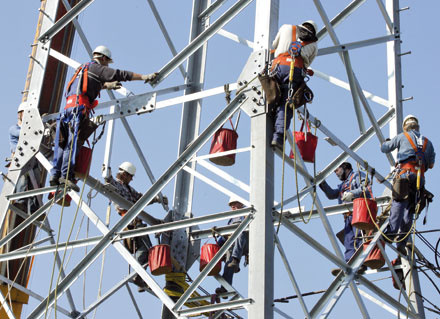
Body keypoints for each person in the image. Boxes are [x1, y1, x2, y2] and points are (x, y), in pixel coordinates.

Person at [50, 45, 159, 191]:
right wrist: (143, 77)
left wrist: (107, 85)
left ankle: (55, 175)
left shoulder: (82, 69)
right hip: (78, 110)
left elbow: (89, 85)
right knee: (72, 145)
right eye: (107, 62)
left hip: (67, 111)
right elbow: (120, 74)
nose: (107, 65)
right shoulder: (97, 68)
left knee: (62, 145)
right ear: (103, 58)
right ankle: (66, 177)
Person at [104, 161, 168, 292]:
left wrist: (157, 199)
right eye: (130, 176)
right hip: (131, 223)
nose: (132, 179)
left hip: (136, 222)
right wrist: (107, 171)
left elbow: (140, 199)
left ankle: (139, 277)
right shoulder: (118, 185)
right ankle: (137, 275)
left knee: (146, 249)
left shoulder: (128, 188)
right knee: (145, 249)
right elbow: (109, 181)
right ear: (125, 174)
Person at [381, 115, 435, 255]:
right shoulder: (428, 143)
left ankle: (391, 234)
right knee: (409, 210)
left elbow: (385, 148)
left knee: (399, 204)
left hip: (405, 175)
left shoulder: (402, 136)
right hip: (419, 179)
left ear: (406, 126)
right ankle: (402, 242)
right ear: (417, 126)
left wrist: (386, 142)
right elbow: (431, 164)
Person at [270, 20, 318, 149]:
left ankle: (266, 114)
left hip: (277, 67)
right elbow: (306, 64)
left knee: (270, 92)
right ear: (313, 31)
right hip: (294, 70)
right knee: (287, 103)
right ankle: (278, 136)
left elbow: (274, 44)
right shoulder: (314, 44)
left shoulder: (286, 27)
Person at [319, 162, 372, 268]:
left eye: (337, 170)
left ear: (345, 167)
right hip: (348, 216)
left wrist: (352, 193)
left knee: (359, 238)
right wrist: (322, 183)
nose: (336, 174)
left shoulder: (357, 175)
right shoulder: (343, 185)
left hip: (358, 213)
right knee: (349, 241)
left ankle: (360, 262)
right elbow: (331, 194)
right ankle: (350, 263)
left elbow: (366, 189)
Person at [8, 102, 39, 212]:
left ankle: (35, 208)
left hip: (32, 158)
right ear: (19, 115)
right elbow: (23, 134)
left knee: (35, 182)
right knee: (22, 179)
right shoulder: (13, 129)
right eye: (24, 113)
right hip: (20, 159)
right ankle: (21, 202)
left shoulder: (31, 129)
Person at [215, 197, 248, 296]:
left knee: (240, 232)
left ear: (241, 204)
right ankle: (225, 287)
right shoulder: (231, 219)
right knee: (229, 260)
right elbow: (226, 235)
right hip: (235, 245)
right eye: (231, 205)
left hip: (246, 242)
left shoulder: (246, 212)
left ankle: (236, 260)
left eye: (235, 203)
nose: (233, 206)